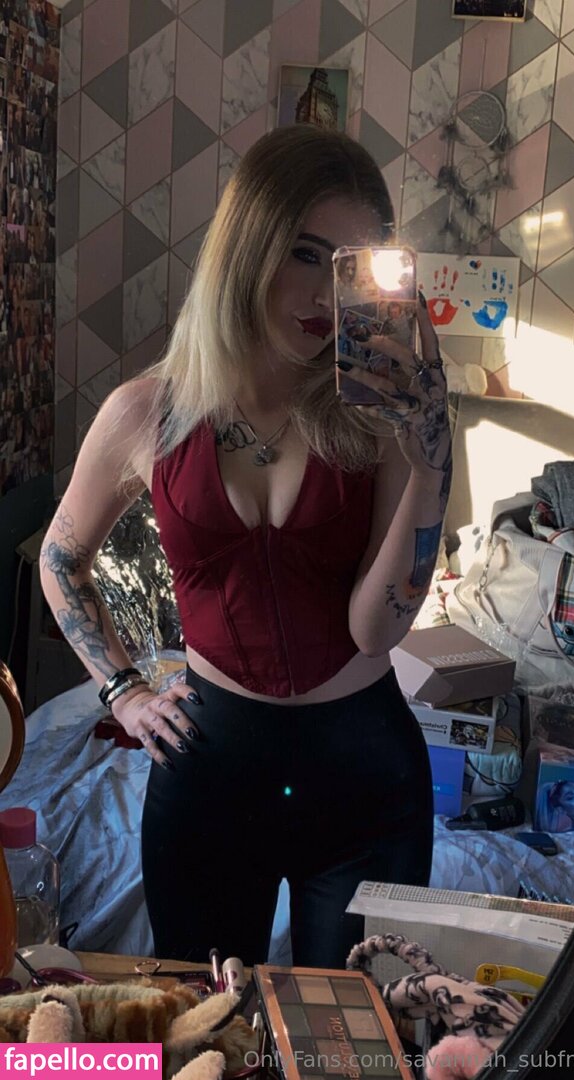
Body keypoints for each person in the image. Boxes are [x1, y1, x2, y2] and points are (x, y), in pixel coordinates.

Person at [40, 125, 452, 968]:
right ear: (246, 247)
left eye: (349, 267)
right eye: (304, 254)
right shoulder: (145, 415)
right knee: (206, 1019)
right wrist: (123, 691)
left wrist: (433, 458)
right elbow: (59, 559)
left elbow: (376, 629)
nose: (325, 296)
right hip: (209, 772)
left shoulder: (383, 421)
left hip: (366, 778)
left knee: (357, 1029)